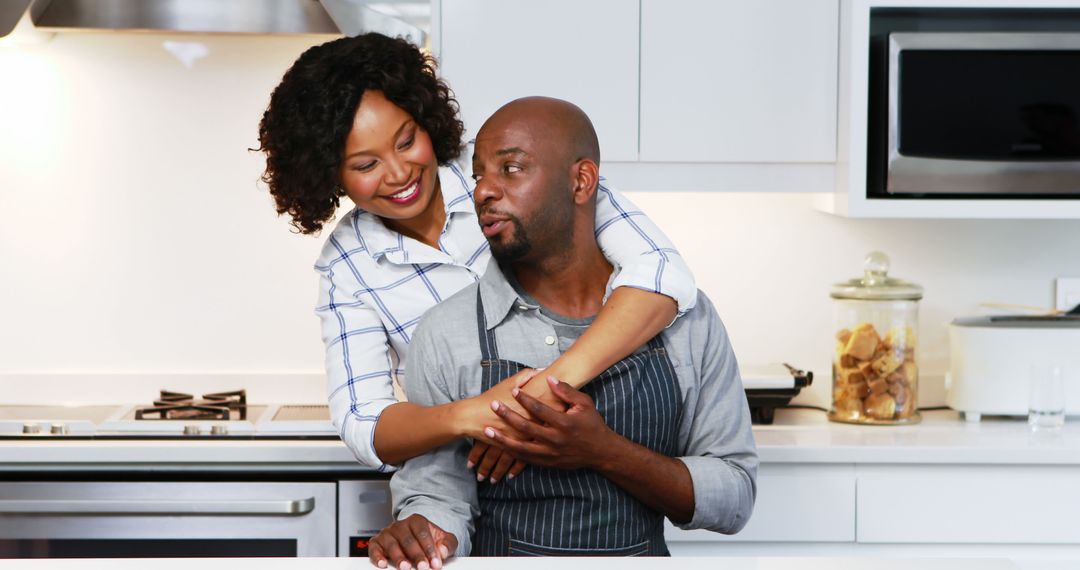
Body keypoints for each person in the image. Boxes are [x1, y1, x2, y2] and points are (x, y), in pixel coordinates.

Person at [256, 32, 698, 480]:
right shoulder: (348, 265)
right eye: (366, 166)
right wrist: (475, 415)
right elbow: (365, 424)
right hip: (477, 481)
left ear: (426, 120)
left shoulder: (510, 168)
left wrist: (543, 392)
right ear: (330, 176)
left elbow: (661, 272)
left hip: (602, 443)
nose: (399, 173)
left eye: (407, 141)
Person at [371, 97, 757, 566]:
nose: (483, 192)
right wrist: (426, 533)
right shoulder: (447, 332)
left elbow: (734, 496)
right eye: (478, 175)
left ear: (581, 181)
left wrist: (604, 452)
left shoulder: (687, 321)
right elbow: (440, 497)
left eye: (511, 168)